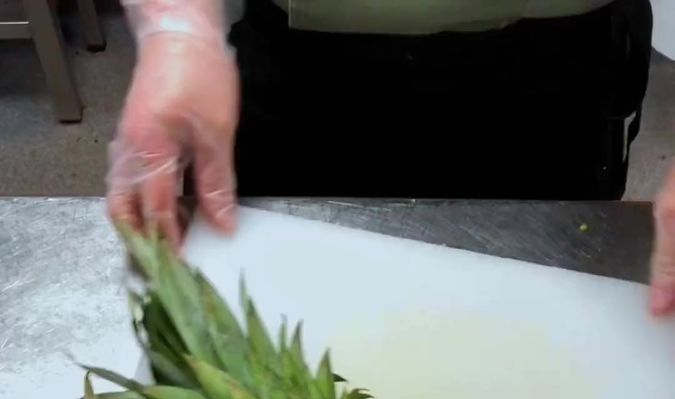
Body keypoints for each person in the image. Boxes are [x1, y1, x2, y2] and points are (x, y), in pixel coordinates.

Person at [108, 0, 675, 316]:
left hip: (562, 60)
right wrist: (174, 26)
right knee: (289, 305)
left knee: (551, 315)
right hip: (304, 58)